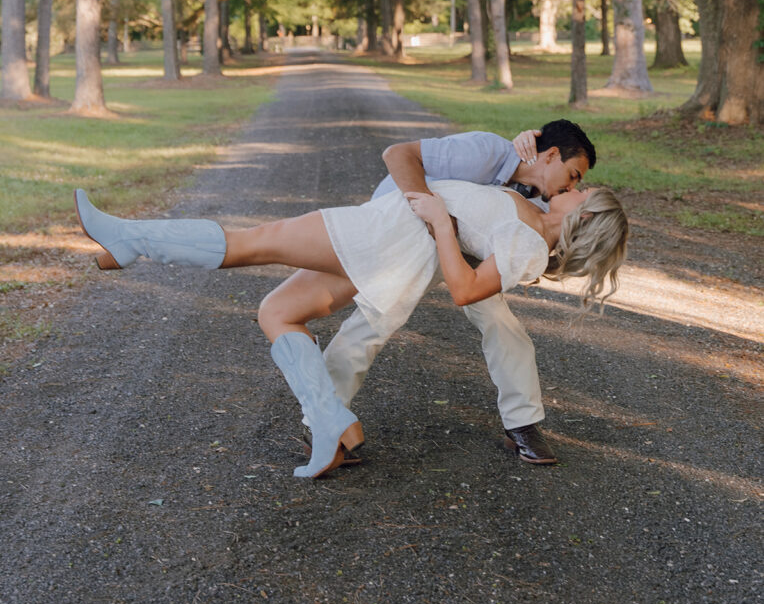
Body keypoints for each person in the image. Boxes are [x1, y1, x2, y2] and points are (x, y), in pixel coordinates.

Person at [74, 174, 627, 481]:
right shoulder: (530, 213)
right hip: (391, 238)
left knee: (255, 241)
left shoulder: (531, 246)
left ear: (583, 214)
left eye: (584, 190)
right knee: (277, 312)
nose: (577, 185)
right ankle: (331, 429)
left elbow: (464, 289)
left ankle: (132, 239)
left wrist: (438, 221)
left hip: (388, 236)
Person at [320, 120, 595, 467]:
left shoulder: (539, 196)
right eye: (573, 175)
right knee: (377, 318)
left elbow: (560, 236)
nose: (571, 185)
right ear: (552, 155)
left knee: (504, 327)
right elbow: (397, 153)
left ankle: (522, 424)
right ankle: (321, 422)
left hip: (457, 249)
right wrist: (433, 215)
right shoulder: (487, 150)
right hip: (407, 230)